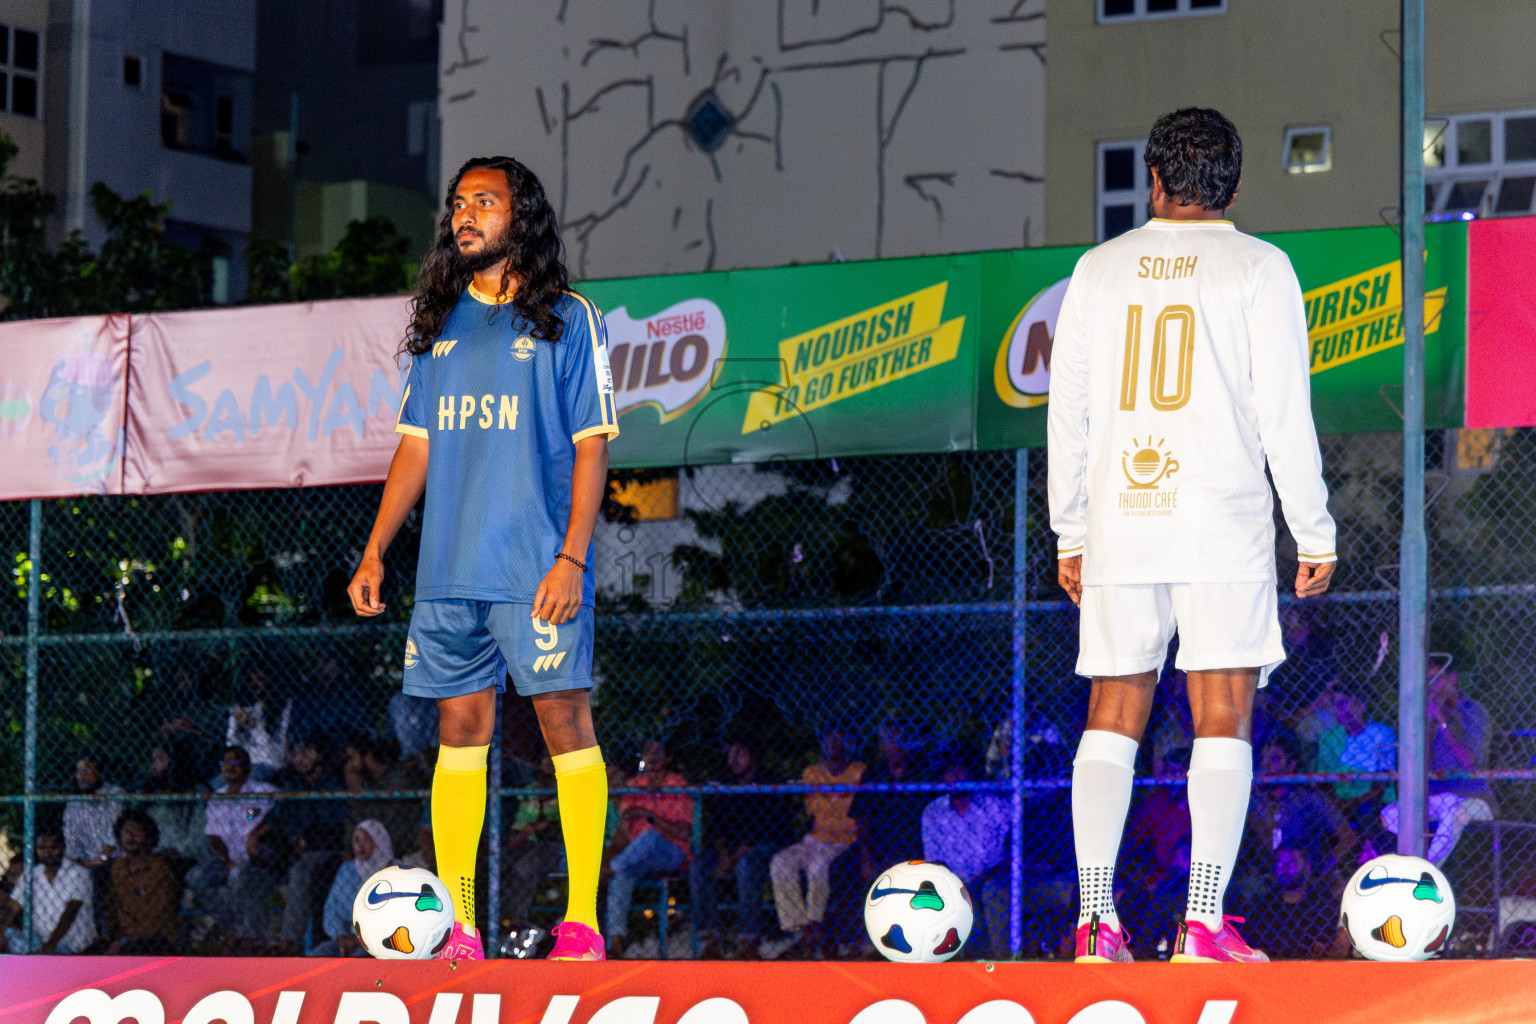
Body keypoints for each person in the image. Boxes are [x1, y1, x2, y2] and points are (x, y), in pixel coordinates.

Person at [1047, 107, 1337, 964]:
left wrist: (1071, 528)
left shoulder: (1098, 269)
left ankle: (1097, 924)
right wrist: (1310, 529)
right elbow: (1283, 411)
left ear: (1154, 181)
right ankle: (1201, 924)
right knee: (1222, 713)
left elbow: (1071, 411)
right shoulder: (1260, 267)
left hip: (1121, 520)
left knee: (1113, 712)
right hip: (1219, 521)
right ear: (1236, 187)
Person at [348, 155, 618, 962]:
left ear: (520, 216)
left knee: (565, 723)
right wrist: (374, 552)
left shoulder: (567, 318)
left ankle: (581, 924)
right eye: (459, 203)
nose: (466, 215)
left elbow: (592, 448)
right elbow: (414, 448)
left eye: (485, 202)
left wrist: (571, 558)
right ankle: (461, 927)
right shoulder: (438, 325)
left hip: (535, 570)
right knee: (458, 734)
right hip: (448, 575)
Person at [1381, 665, 1496, 865]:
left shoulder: (1473, 711)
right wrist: (1429, 725)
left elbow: (1468, 760)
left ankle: (1425, 870)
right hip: (1438, 797)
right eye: (1428, 681)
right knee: (1389, 814)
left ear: (1453, 678)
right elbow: (1419, 764)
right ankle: (1409, 861)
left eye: (1437, 679)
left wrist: (1443, 721)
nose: (1432, 686)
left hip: (1473, 797)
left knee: (1453, 810)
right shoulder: (1425, 716)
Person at [690, 737, 791, 959]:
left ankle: (749, 938)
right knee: (698, 866)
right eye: (730, 754)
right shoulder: (726, 784)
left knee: (746, 866)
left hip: (764, 847)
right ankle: (710, 939)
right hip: (731, 849)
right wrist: (725, 854)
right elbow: (715, 827)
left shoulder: (769, 782)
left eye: (740, 753)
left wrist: (734, 857)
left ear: (753, 756)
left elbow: (771, 827)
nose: (733, 759)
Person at [769, 728, 865, 957]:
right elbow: (811, 814)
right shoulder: (812, 773)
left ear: (850, 743)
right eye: (829, 740)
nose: (834, 745)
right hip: (815, 839)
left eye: (840, 739)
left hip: (844, 840)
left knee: (818, 868)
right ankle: (799, 929)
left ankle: (814, 926)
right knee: (780, 862)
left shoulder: (858, 771)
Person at [605, 739, 693, 958]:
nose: (653, 758)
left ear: (667, 758)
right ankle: (615, 942)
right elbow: (625, 827)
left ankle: (609, 869)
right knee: (624, 874)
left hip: (673, 852)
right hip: (638, 855)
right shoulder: (636, 784)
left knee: (651, 836)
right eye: (648, 752)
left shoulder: (677, 783)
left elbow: (683, 832)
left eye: (658, 753)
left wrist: (651, 817)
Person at [920, 755, 1012, 958]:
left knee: (991, 892)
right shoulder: (933, 812)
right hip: (954, 879)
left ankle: (1000, 963)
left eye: (960, 771)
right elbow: (933, 859)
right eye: (950, 772)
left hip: (992, 876)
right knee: (955, 896)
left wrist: (994, 872)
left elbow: (1013, 842)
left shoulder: (993, 805)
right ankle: (966, 966)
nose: (955, 777)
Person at [1242, 843, 1349, 960]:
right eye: (1280, 864)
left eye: (1291, 864)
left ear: (1307, 867)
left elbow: (1328, 950)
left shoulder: (1323, 903)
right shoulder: (1263, 905)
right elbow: (1257, 950)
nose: (1284, 869)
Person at [0, 830, 97, 954]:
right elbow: (12, 907)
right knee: (8, 933)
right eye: (41, 848)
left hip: (73, 943)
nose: (47, 853)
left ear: (63, 847)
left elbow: (70, 911)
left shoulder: (79, 873)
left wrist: (50, 945)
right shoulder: (32, 875)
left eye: (53, 847)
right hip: (40, 940)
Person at [1313, 684, 1396, 818]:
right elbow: (1324, 781)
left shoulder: (1381, 733)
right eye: (1334, 705)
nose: (1337, 710)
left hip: (1374, 802)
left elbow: (1381, 782)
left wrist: (1353, 803)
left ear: (1361, 705)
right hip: (1338, 803)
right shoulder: (1329, 738)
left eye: (1342, 703)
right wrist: (1337, 804)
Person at [103, 810, 179, 955]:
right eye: (126, 831)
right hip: (125, 938)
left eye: (136, 831)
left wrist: (124, 940)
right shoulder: (118, 867)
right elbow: (112, 907)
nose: (131, 836)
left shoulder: (160, 867)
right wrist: (115, 938)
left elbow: (159, 914)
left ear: (149, 837)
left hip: (157, 939)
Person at [317, 820, 395, 957]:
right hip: (346, 937)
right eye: (356, 840)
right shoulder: (347, 870)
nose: (360, 845)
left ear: (378, 841)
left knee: (358, 959)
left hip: (380, 942)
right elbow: (332, 908)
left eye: (366, 839)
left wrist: (359, 942)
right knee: (319, 954)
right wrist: (341, 937)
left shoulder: (394, 871)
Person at [226, 667, 292, 780]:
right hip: (242, 763)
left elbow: (276, 751)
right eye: (252, 679)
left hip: (268, 763)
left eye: (260, 679)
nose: (255, 683)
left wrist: (253, 727)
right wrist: (241, 728)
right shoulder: (241, 706)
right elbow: (231, 744)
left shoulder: (282, 706)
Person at [63, 754, 123, 869]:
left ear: (99, 772)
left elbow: (114, 840)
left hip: (116, 860)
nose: (80, 777)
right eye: (78, 772)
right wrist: (83, 864)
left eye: (86, 772)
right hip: (85, 865)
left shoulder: (114, 794)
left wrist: (103, 858)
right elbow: (71, 845)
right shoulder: (73, 803)